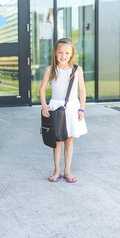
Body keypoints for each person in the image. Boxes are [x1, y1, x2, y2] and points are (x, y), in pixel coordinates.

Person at [39, 38, 87, 183]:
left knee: (69, 140)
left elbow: (82, 90)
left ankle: (67, 170)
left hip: (72, 108)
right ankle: (57, 170)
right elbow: (42, 89)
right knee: (57, 141)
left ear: (72, 54)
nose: (63, 56)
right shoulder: (50, 69)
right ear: (55, 53)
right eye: (60, 52)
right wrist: (44, 106)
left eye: (67, 53)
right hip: (56, 108)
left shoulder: (77, 70)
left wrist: (82, 108)